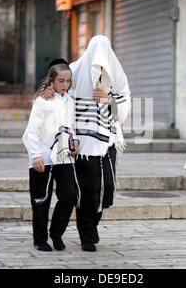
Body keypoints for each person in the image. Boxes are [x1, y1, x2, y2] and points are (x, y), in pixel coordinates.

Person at [41, 36, 131, 252]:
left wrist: (109, 99)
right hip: (81, 142)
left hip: (107, 139)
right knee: (87, 189)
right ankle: (87, 235)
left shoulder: (116, 73)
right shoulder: (74, 69)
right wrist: (47, 93)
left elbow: (125, 98)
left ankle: (92, 226)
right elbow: (58, 89)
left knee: (105, 187)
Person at [22, 58, 81, 252]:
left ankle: (56, 234)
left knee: (69, 196)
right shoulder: (42, 101)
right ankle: (40, 239)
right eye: (61, 81)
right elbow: (31, 131)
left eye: (68, 81)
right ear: (52, 80)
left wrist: (75, 141)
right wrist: (36, 155)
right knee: (41, 200)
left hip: (64, 157)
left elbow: (71, 126)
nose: (65, 85)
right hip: (43, 158)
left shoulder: (70, 101)